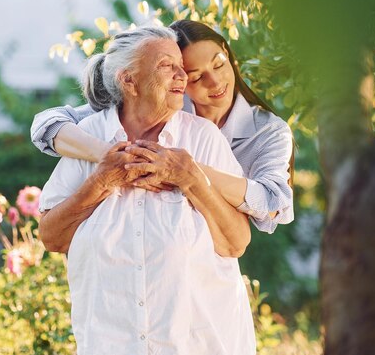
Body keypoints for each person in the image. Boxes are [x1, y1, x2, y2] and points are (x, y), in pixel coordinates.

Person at [38, 26, 255, 355]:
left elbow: (236, 242)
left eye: (181, 66)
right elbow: (51, 236)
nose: (182, 75)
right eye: (167, 65)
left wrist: (191, 179)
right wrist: (102, 181)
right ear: (129, 80)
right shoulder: (89, 139)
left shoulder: (203, 139)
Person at [32, 20, 294, 234]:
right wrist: (109, 154)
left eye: (219, 64)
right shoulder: (164, 104)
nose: (215, 82)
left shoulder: (268, 132)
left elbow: (273, 204)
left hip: (221, 245)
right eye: (196, 76)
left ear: (228, 56)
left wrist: (185, 169)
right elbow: (48, 124)